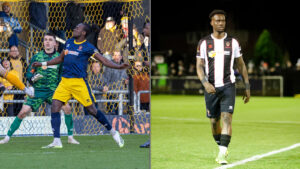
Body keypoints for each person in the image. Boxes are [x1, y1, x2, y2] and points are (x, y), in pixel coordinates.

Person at [32, 23, 128, 148]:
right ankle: (57, 141)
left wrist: (119, 66)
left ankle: (113, 132)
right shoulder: (69, 42)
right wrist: (42, 63)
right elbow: (60, 58)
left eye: (77, 28)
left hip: (79, 83)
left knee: (92, 110)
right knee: (55, 106)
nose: (74, 29)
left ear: (83, 33)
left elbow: (103, 60)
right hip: (65, 82)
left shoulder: (88, 47)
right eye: (75, 27)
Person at [0, 33, 79, 145]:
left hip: (53, 91)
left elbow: (61, 75)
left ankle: (70, 137)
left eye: (50, 40)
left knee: (67, 108)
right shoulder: (36, 57)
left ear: (55, 43)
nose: (47, 42)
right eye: (45, 40)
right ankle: (7, 137)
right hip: (38, 91)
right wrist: (32, 79)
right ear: (43, 42)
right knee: (23, 112)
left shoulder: (59, 58)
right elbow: (28, 74)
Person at [196, 9, 250, 165]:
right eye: (218, 21)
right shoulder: (204, 43)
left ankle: (221, 154)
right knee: (214, 122)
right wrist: (205, 83)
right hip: (211, 88)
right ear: (212, 22)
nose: (221, 23)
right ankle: (222, 146)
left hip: (228, 86)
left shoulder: (233, 42)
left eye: (223, 21)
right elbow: (199, 66)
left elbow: (241, 64)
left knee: (227, 118)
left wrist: (247, 86)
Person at [102, 50, 128, 115]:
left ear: (121, 57)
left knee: (120, 113)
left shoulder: (124, 66)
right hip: (111, 93)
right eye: (115, 55)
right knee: (111, 113)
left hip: (120, 94)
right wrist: (106, 87)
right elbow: (106, 79)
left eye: (118, 55)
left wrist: (126, 80)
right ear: (113, 56)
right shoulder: (109, 66)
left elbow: (125, 77)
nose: (117, 57)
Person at [9, 45, 25, 114]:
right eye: (12, 51)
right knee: (11, 109)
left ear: (18, 52)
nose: (14, 52)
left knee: (19, 109)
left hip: (20, 87)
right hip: (10, 88)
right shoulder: (7, 61)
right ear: (9, 53)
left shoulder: (23, 61)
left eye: (16, 51)